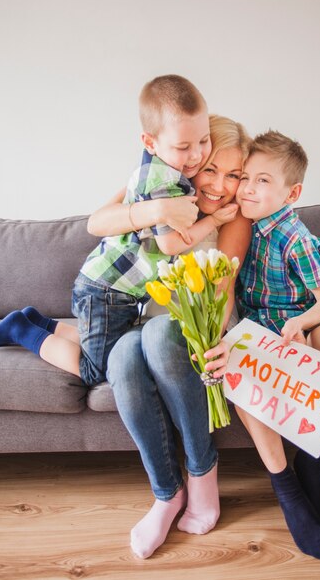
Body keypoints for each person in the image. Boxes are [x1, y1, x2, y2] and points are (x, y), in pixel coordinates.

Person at [0, 75, 236, 384]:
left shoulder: (171, 174)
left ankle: (39, 323)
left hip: (120, 293)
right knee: (97, 370)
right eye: (184, 147)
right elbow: (108, 226)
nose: (196, 156)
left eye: (203, 142)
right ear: (150, 142)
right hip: (109, 290)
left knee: (111, 349)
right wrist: (205, 219)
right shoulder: (163, 183)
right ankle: (22, 331)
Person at [87, 115, 252, 559]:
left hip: (204, 325)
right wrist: (156, 210)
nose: (220, 185)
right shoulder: (161, 186)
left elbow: (225, 286)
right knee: (122, 355)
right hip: (152, 320)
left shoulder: (233, 217)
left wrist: (216, 339)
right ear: (193, 159)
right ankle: (166, 493)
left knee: (160, 334)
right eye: (212, 168)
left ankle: (203, 475)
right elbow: (96, 222)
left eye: (234, 175)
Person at [232, 130, 320, 560]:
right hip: (257, 329)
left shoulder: (296, 237)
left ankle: (311, 457)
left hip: (300, 319)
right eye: (245, 177)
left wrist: (299, 323)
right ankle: (288, 492)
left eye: (263, 180)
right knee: (242, 371)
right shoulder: (238, 225)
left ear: (293, 193)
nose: (248, 188)